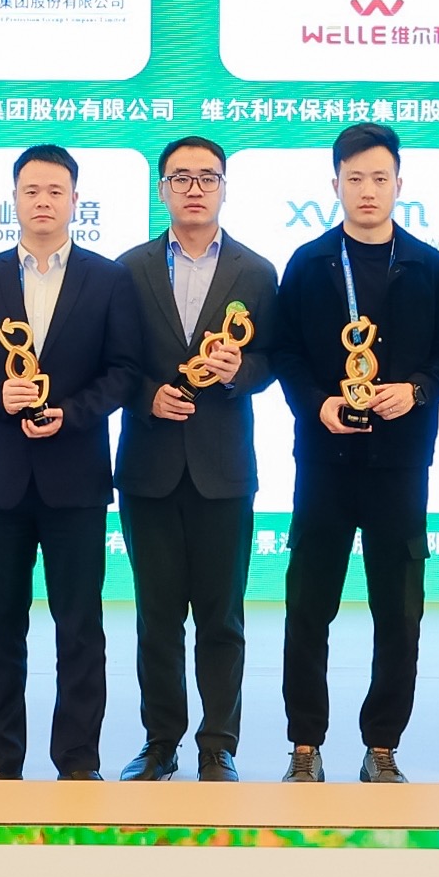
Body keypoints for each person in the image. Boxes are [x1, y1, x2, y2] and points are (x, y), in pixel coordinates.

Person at [271, 121, 439, 782]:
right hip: (323, 463)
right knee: (308, 607)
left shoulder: (429, 266)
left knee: (399, 610)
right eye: (354, 178)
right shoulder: (308, 263)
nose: (366, 190)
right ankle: (305, 743)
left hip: (400, 464)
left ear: (398, 184)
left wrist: (415, 390)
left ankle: (382, 744)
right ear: (334, 184)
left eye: (379, 178)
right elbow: (283, 353)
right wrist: (317, 403)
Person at [0, 145, 139, 780]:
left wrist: (72, 413)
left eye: (56, 191)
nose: (43, 201)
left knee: (80, 628)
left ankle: (78, 760)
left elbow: (124, 372)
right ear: (14, 200)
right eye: (31, 191)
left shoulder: (108, 279)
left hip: (76, 478)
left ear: (76, 200)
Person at [112, 136, 276, 782]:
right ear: (162, 189)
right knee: (156, 618)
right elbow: (109, 362)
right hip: (148, 465)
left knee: (220, 616)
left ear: (224, 187)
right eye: (180, 178)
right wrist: (146, 396)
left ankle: (218, 743)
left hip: (222, 467)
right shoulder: (128, 269)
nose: (194, 189)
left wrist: (240, 371)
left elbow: (275, 360)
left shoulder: (256, 271)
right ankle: (160, 741)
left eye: (207, 177)